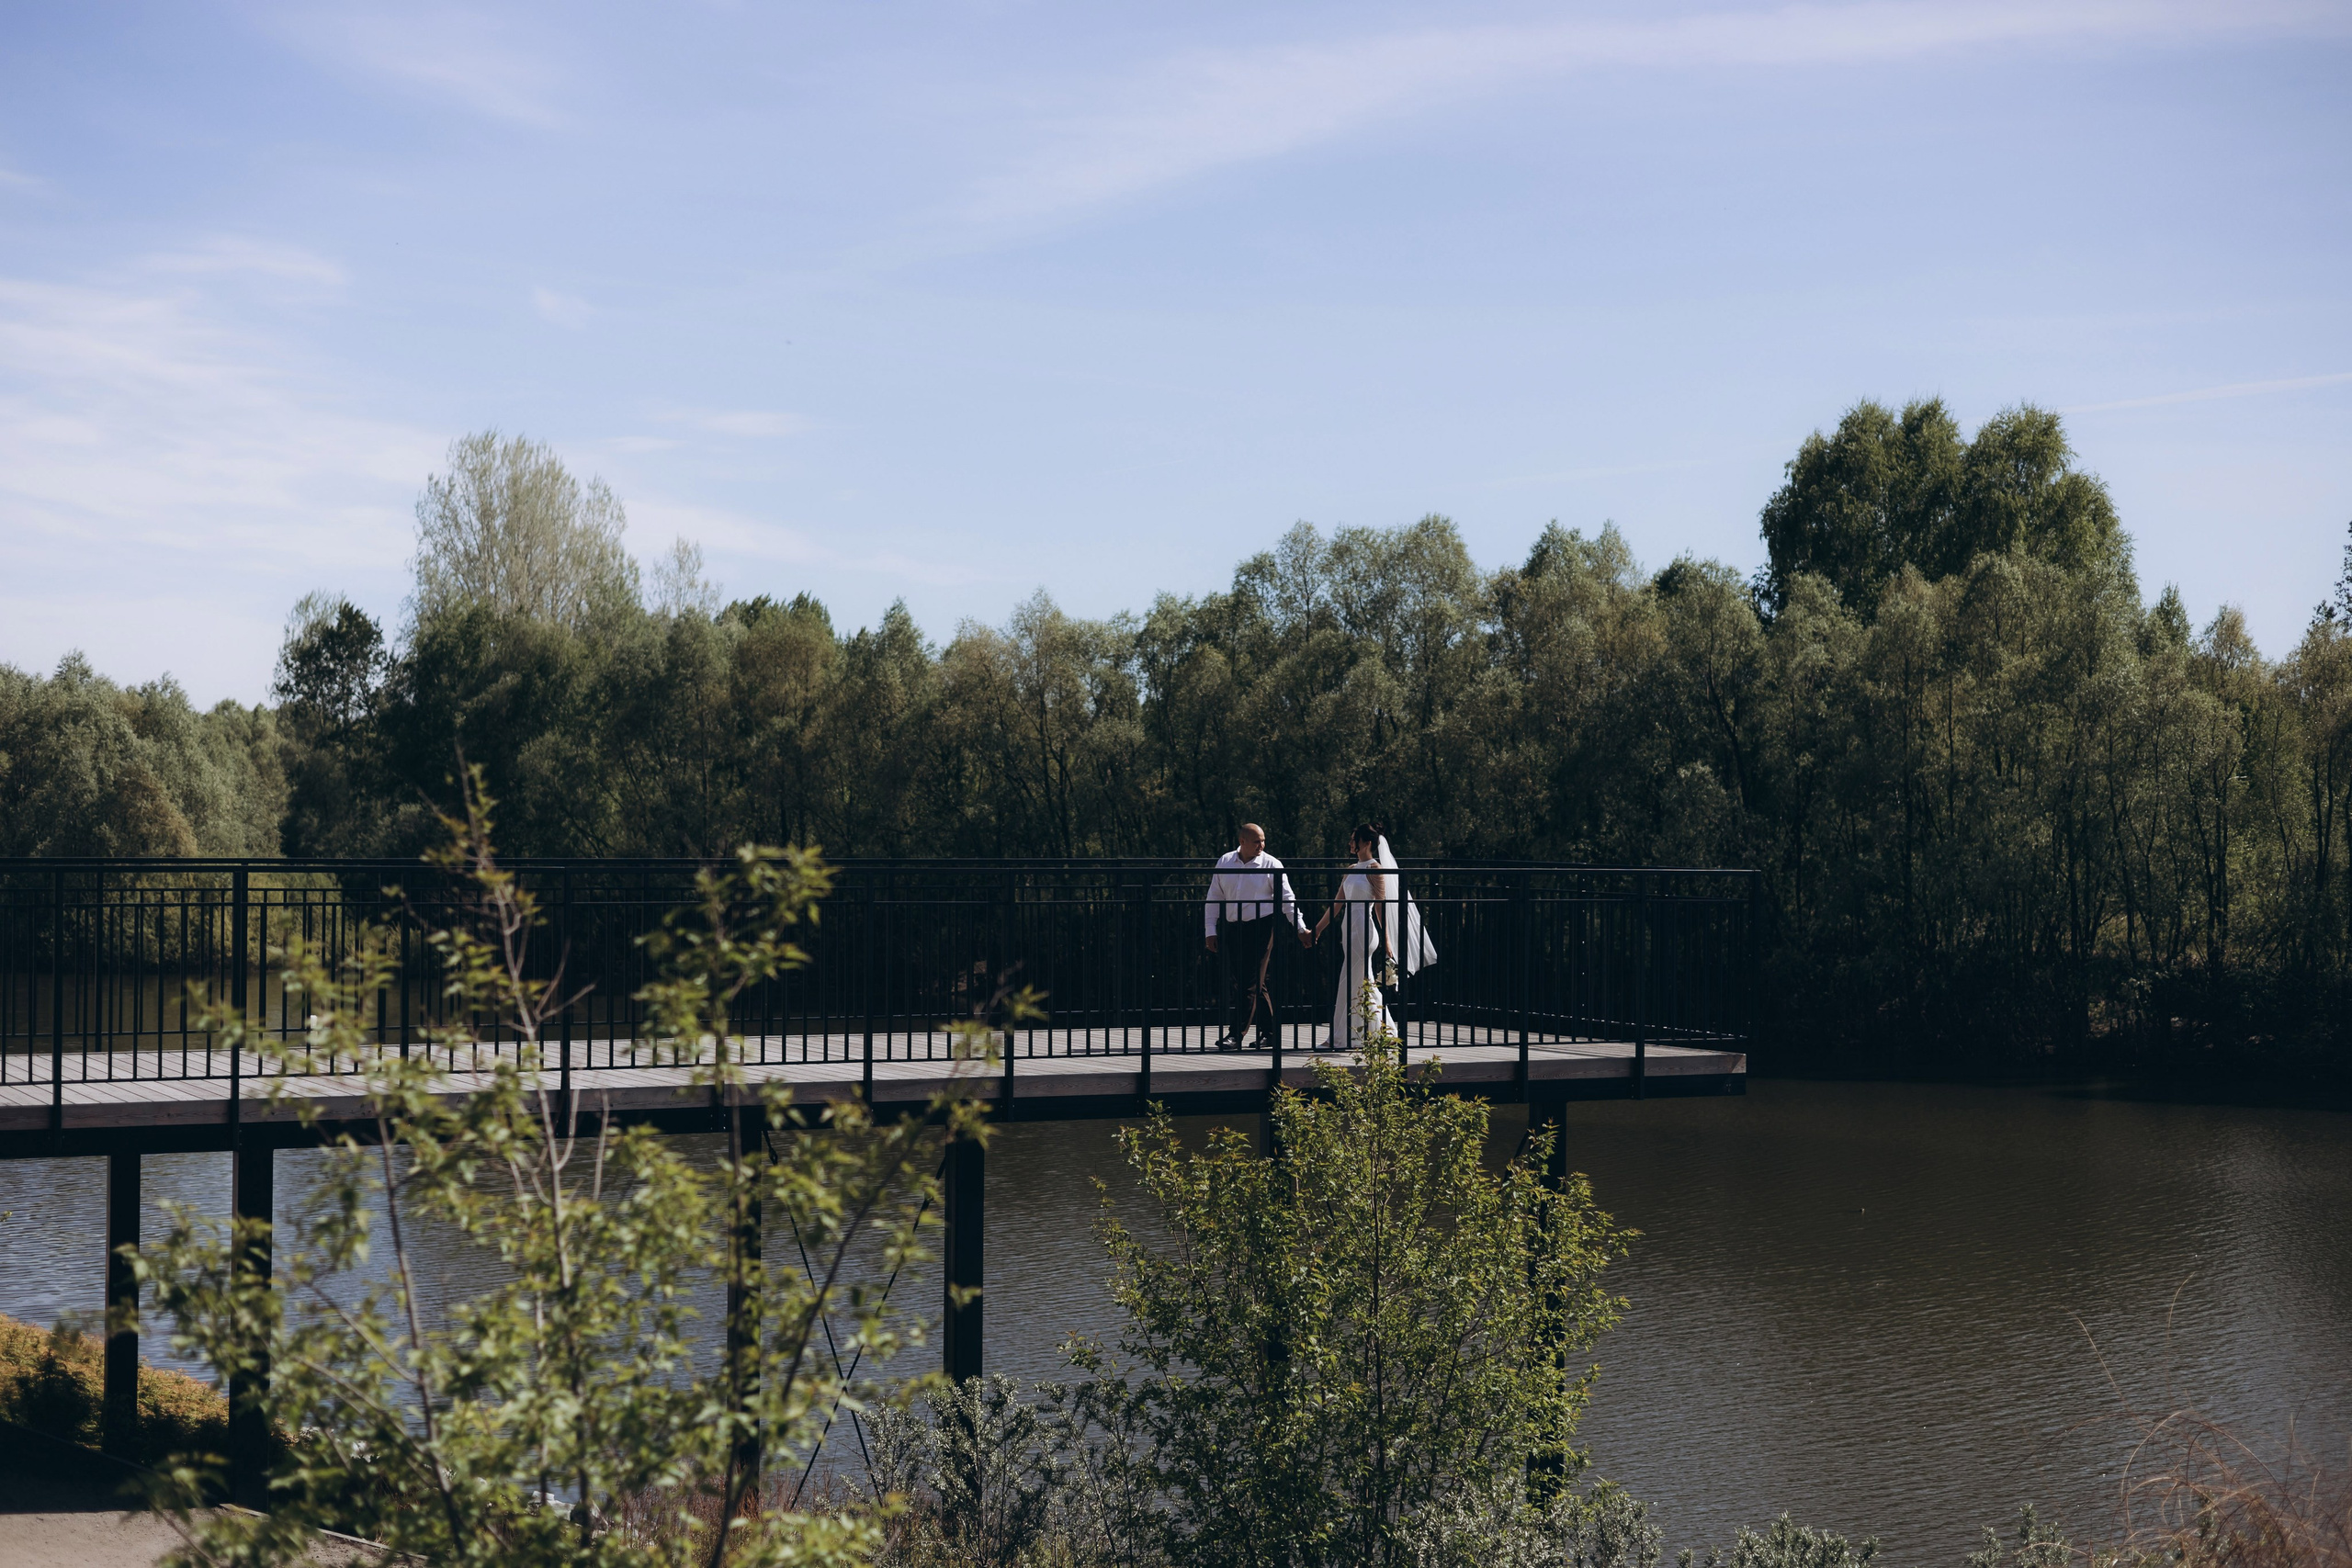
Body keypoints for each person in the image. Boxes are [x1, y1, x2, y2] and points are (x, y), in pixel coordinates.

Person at [1311, 823, 1438, 1051]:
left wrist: (1387, 940)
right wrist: (1318, 929)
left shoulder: (1375, 869)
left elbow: (1380, 907)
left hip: (1363, 930)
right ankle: (1383, 1031)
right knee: (1361, 982)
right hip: (1348, 931)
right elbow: (1337, 904)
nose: (1351, 844)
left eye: (1354, 839)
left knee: (1350, 982)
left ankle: (1339, 1037)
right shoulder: (1351, 868)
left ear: (1366, 843)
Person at [1203, 823, 1311, 1050]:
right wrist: (1210, 930)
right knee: (1252, 982)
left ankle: (1236, 1035)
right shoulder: (1225, 862)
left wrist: (1300, 929)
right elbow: (1214, 896)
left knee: (1249, 982)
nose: (1261, 845)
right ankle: (1270, 1034)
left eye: (1263, 840)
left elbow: (1287, 900)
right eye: (1256, 841)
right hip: (1233, 928)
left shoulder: (1272, 864)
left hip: (1261, 928)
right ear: (1242, 842)